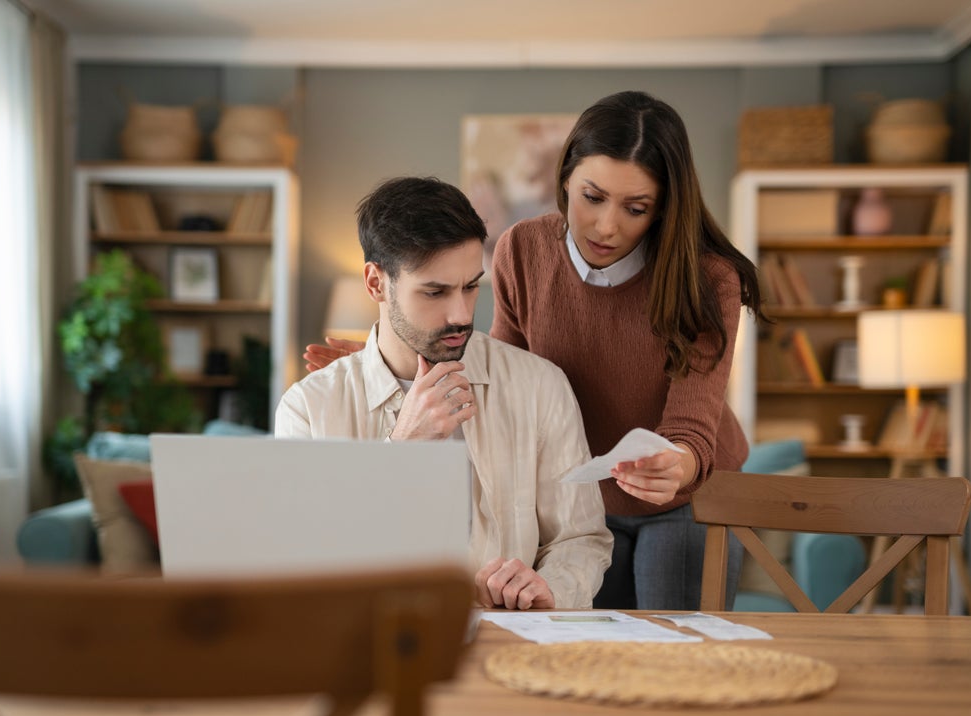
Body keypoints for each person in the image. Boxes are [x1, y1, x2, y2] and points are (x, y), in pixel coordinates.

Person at [303, 92, 764, 612]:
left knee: (677, 656)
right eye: (593, 197)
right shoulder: (522, 249)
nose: (607, 226)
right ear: (565, 178)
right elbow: (501, 369)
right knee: (585, 656)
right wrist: (386, 360)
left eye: (636, 208)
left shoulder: (707, 279)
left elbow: (691, 426)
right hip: (578, 490)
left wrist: (676, 465)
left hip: (683, 493)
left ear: (664, 207)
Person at [277, 176, 613, 610]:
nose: (461, 314)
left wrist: (552, 589)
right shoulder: (308, 408)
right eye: (435, 292)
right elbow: (303, 565)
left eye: (471, 286)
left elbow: (581, 538)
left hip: (510, 644)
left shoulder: (540, 386)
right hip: (369, 649)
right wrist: (402, 448)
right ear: (376, 283)